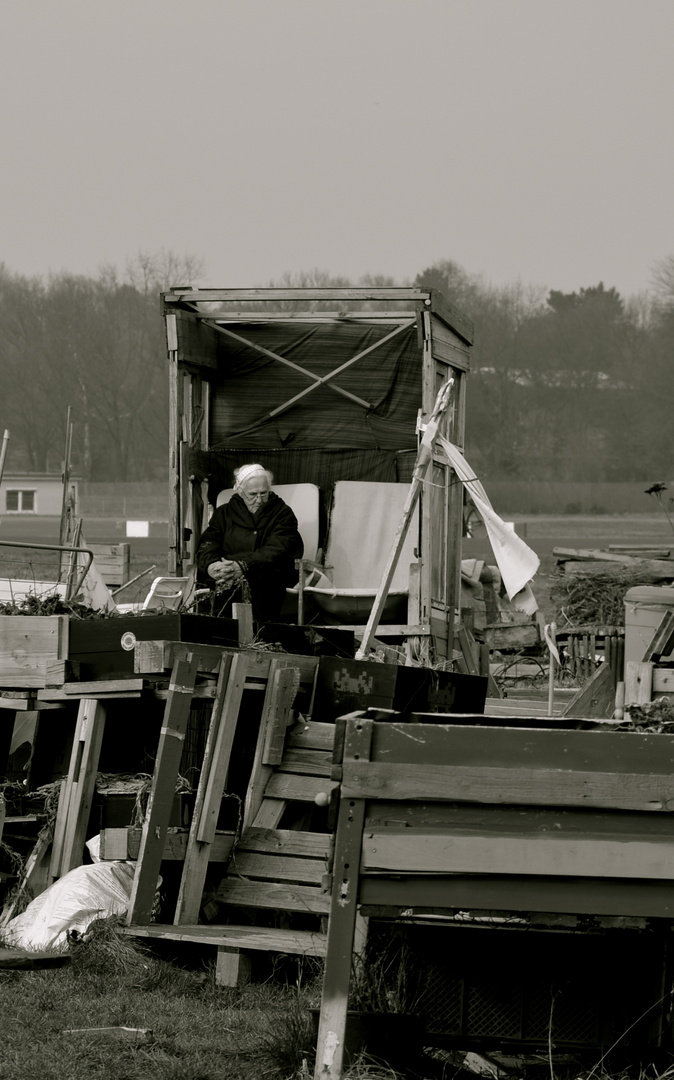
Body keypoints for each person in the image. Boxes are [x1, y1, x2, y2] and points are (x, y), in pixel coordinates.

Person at [196, 464, 303, 622]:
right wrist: (211, 566)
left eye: (264, 493)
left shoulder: (283, 514)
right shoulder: (224, 513)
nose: (259, 500)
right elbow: (208, 544)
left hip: (268, 576)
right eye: (253, 494)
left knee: (265, 579)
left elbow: (275, 550)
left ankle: (259, 637)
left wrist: (242, 565)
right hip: (227, 573)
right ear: (240, 492)